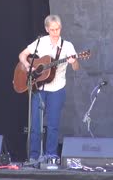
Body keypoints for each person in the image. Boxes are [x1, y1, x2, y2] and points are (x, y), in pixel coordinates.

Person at [18, 14, 79, 163]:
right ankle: (33, 156)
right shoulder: (41, 42)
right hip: (39, 88)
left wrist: (74, 61)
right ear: (47, 29)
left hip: (57, 89)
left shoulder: (67, 46)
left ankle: (51, 155)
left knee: (53, 124)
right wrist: (27, 66)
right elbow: (22, 54)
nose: (55, 32)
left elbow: (77, 68)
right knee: (35, 124)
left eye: (57, 29)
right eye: (52, 29)